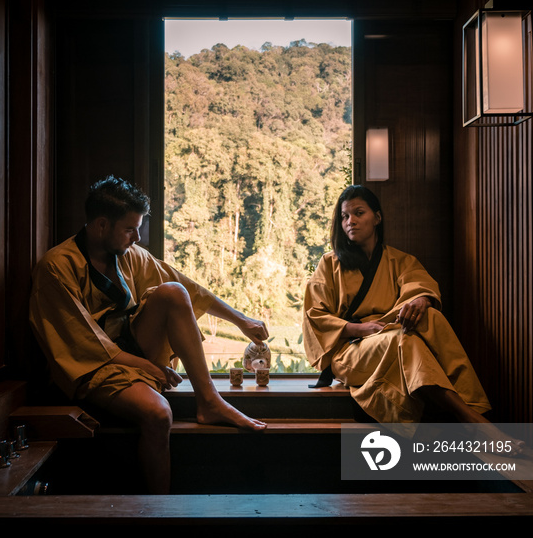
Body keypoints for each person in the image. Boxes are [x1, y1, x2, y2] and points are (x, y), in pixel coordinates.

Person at [30, 175, 268, 493]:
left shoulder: (130, 257)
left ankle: (209, 401)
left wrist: (241, 320)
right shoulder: (56, 268)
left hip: (135, 349)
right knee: (158, 413)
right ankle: (156, 512)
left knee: (173, 290)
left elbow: (189, 289)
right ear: (101, 225)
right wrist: (150, 368)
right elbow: (83, 344)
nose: (137, 237)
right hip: (93, 368)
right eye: (130, 229)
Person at [302, 184, 492, 430]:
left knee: (430, 317)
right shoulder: (329, 264)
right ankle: (474, 420)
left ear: (377, 217)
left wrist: (420, 300)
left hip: (389, 334)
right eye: (345, 216)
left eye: (359, 213)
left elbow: (420, 286)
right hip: (349, 350)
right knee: (404, 341)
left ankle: (473, 406)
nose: (351, 221)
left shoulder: (399, 260)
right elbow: (314, 316)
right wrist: (358, 329)